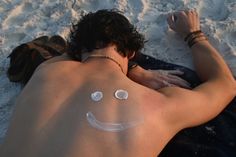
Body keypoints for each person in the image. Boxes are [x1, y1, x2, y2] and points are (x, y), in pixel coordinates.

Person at [0, 9, 235, 157]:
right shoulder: (159, 105)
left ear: (77, 49)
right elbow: (225, 84)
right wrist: (193, 34)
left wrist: (134, 70)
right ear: (131, 52)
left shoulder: (46, 71)